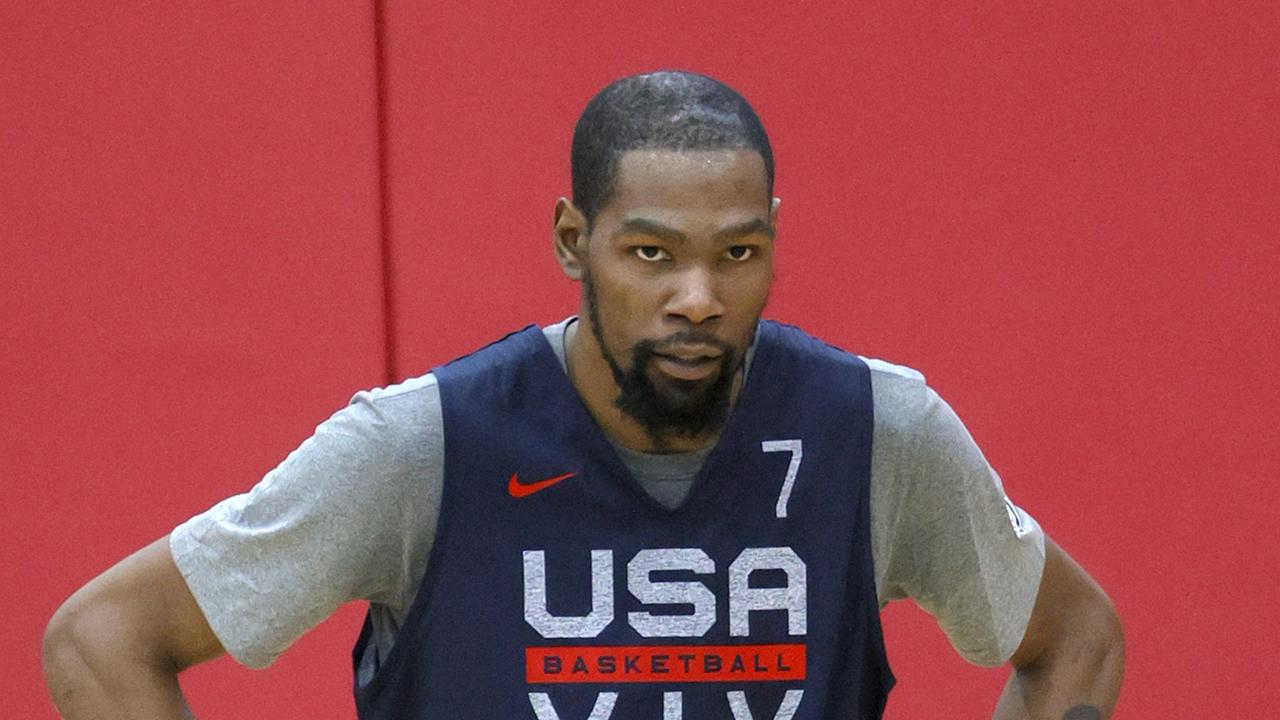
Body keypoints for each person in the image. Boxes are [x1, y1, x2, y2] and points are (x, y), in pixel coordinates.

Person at [42, 71, 1123, 720]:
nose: (696, 298)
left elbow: (1078, 639)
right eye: (649, 253)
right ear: (574, 241)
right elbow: (100, 640)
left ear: (773, 244)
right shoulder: (424, 448)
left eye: (736, 254)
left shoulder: (877, 436)